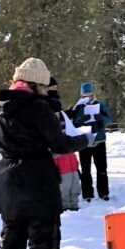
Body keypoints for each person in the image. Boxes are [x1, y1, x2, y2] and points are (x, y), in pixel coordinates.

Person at [0, 58, 94, 249]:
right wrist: (86, 139)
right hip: (37, 178)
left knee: (12, 235)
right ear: (37, 84)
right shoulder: (37, 107)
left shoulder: (0, 106)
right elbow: (59, 143)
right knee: (44, 238)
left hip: (9, 177)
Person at [71, 82, 113, 202]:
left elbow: (109, 119)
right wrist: (80, 120)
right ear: (81, 96)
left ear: (93, 95)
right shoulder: (78, 107)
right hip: (84, 141)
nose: (87, 98)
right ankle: (87, 194)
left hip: (99, 140)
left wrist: (101, 119)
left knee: (102, 168)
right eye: (85, 96)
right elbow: (73, 123)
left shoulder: (100, 105)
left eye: (89, 95)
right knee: (85, 169)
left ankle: (104, 192)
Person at [47, 77, 81, 212]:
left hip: (69, 151)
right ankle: (64, 206)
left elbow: (62, 117)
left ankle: (74, 204)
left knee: (74, 182)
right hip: (59, 154)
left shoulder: (56, 103)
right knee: (64, 183)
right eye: (53, 88)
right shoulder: (45, 105)